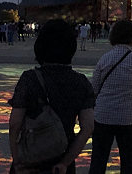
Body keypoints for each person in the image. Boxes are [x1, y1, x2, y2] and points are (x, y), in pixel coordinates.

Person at [8, 19, 94, 174]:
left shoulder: (29, 79)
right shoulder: (81, 82)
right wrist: (65, 162)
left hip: (31, 156)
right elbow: (88, 127)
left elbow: (15, 123)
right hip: (62, 157)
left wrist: (17, 158)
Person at [89, 19, 132, 174]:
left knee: (98, 160)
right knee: (129, 161)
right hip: (128, 116)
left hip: (103, 115)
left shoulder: (104, 58)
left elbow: (94, 88)